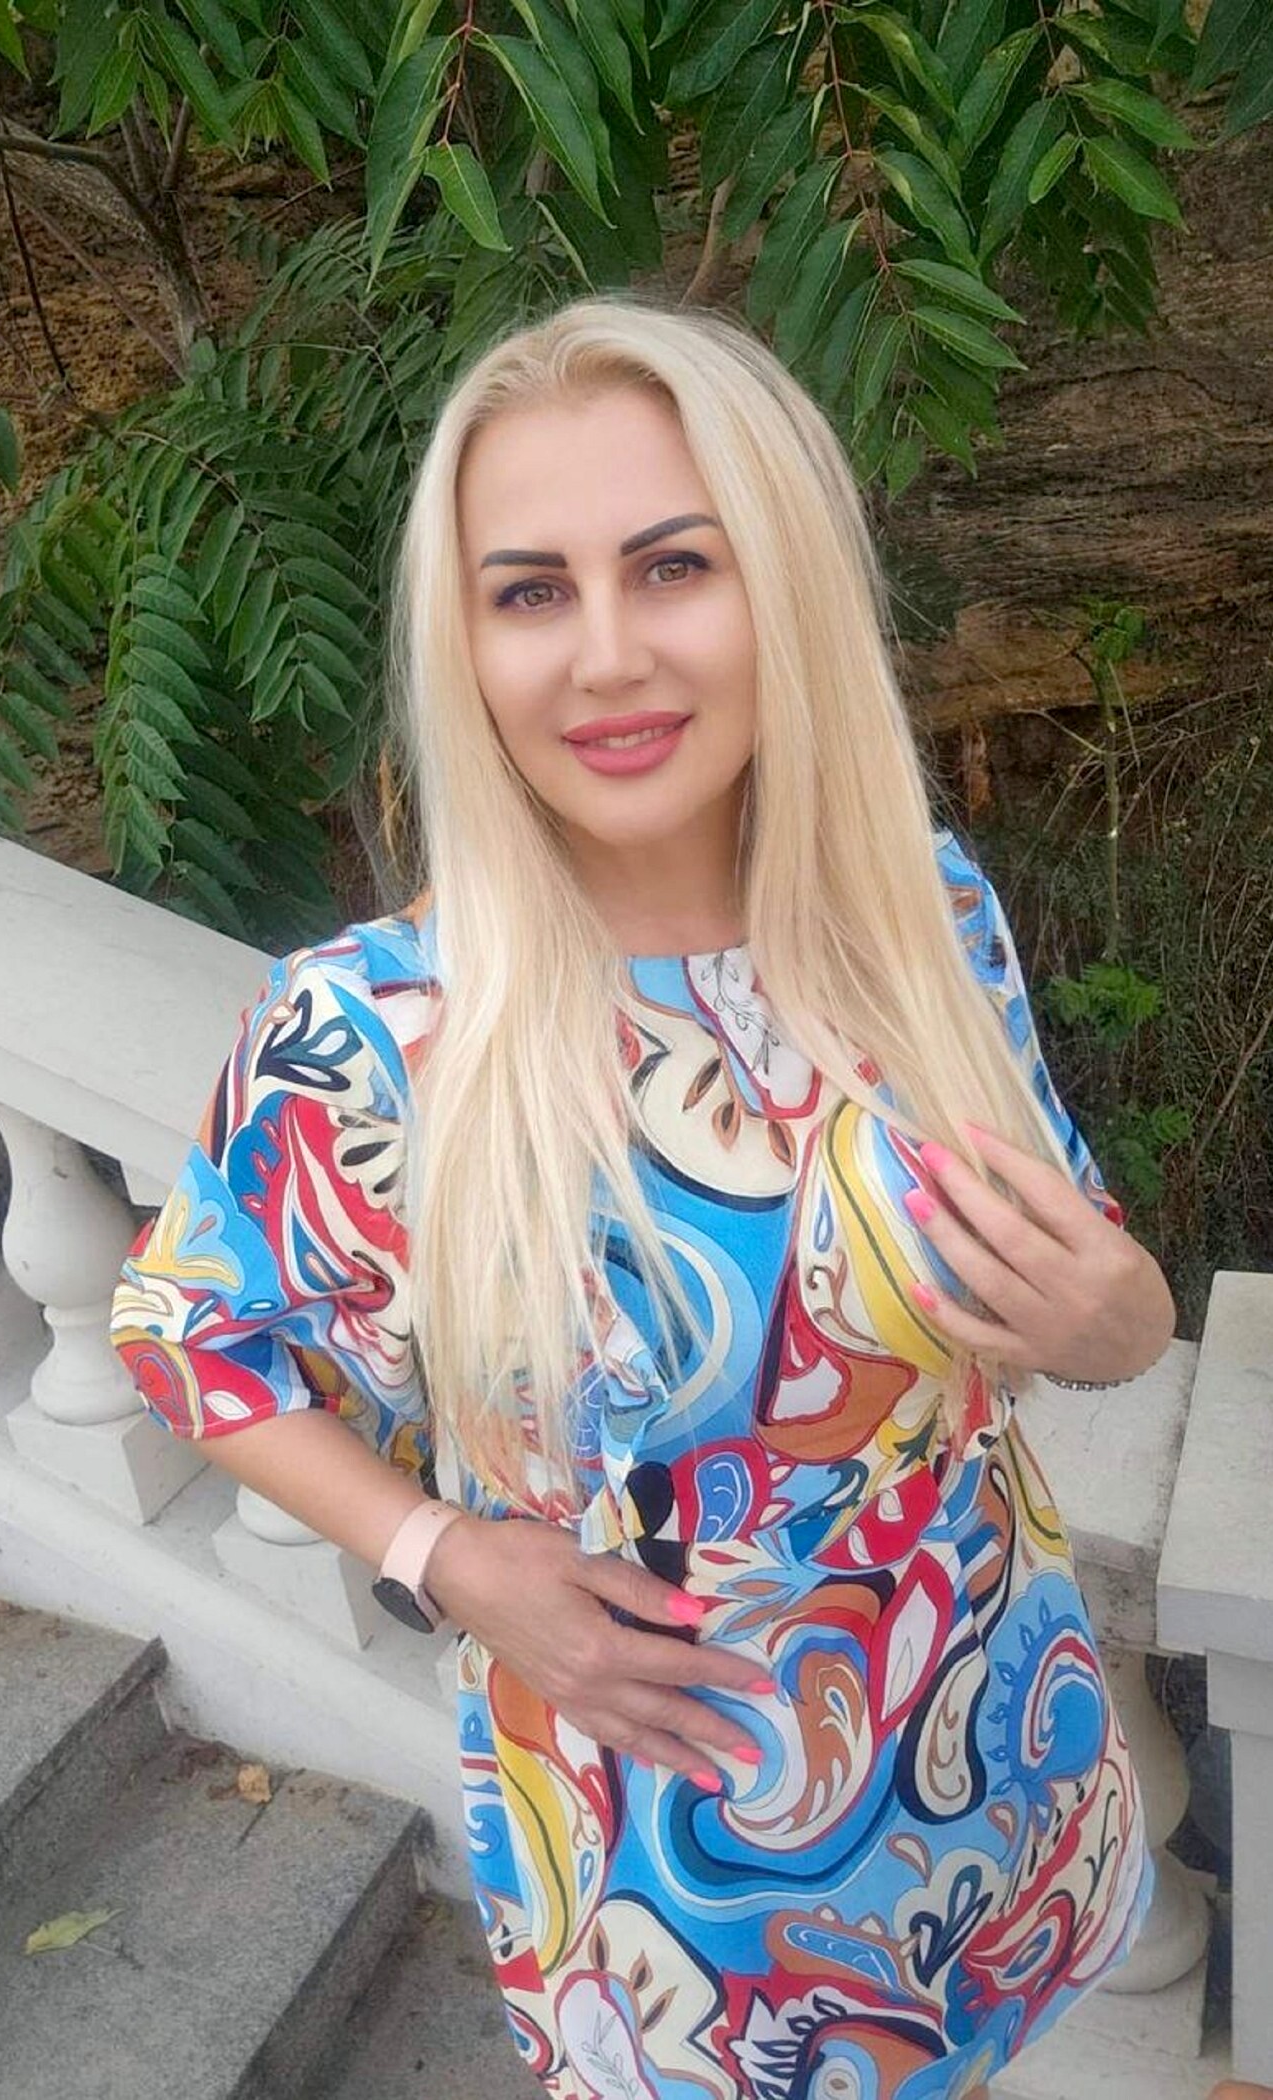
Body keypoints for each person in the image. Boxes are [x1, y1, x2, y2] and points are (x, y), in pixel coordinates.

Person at [109, 292, 1185, 2100]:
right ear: (465, 646)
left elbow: (1081, 1281)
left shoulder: (919, 920)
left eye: (674, 566)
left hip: (1003, 1763)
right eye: (530, 591)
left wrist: (1121, 1317)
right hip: (682, 1908)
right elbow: (181, 1337)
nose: (605, 656)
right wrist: (445, 1560)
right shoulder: (372, 1033)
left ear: (784, 591)